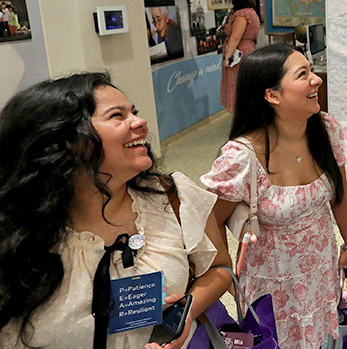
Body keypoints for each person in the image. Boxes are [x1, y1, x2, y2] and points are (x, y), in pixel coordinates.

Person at [0, 73, 231, 348]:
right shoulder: (14, 232)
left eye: (134, 111)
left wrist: (186, 312)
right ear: (64, 140)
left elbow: (220, 267)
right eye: (117, 116)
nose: (140, 122)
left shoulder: (170, 197)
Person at [202, 44, 347, 349]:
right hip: (272, 284)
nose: (316, 80)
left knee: (317, 337)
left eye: (311, 71)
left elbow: (340, 193)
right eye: (303, 75)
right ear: (272, 95)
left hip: (320, 268)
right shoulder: (242, 157)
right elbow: (209, 218)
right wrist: (225, 274)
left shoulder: (325, 130)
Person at [220, 0, 261, 113]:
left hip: (239, 53)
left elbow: (235, 37)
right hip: (249, 49)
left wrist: (227, 57)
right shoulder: (252, 13)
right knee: (247, 83)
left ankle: (242, 115)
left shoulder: (241, 15)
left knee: (237, 83)